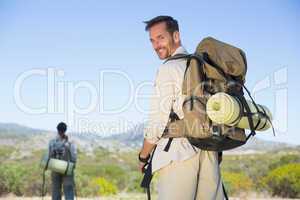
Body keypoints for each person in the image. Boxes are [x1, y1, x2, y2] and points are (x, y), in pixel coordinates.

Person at [138, 16, 225, 200]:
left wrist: (143, 156)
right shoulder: (203, 66)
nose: (156, 45)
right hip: (209, 151)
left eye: (161, 38)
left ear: (176, 35)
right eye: (152, 40)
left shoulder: (169, 69)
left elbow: (157, 122)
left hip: (179, 154)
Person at [48, 122, 77, 200]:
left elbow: (49, 155)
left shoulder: (52, 142)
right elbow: (74, 156)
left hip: (55, 167)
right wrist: (73, 165)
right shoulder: (70, 142)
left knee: (56, 190)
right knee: (68, 189)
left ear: (57, 130)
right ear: (65, 130)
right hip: (67, 168)